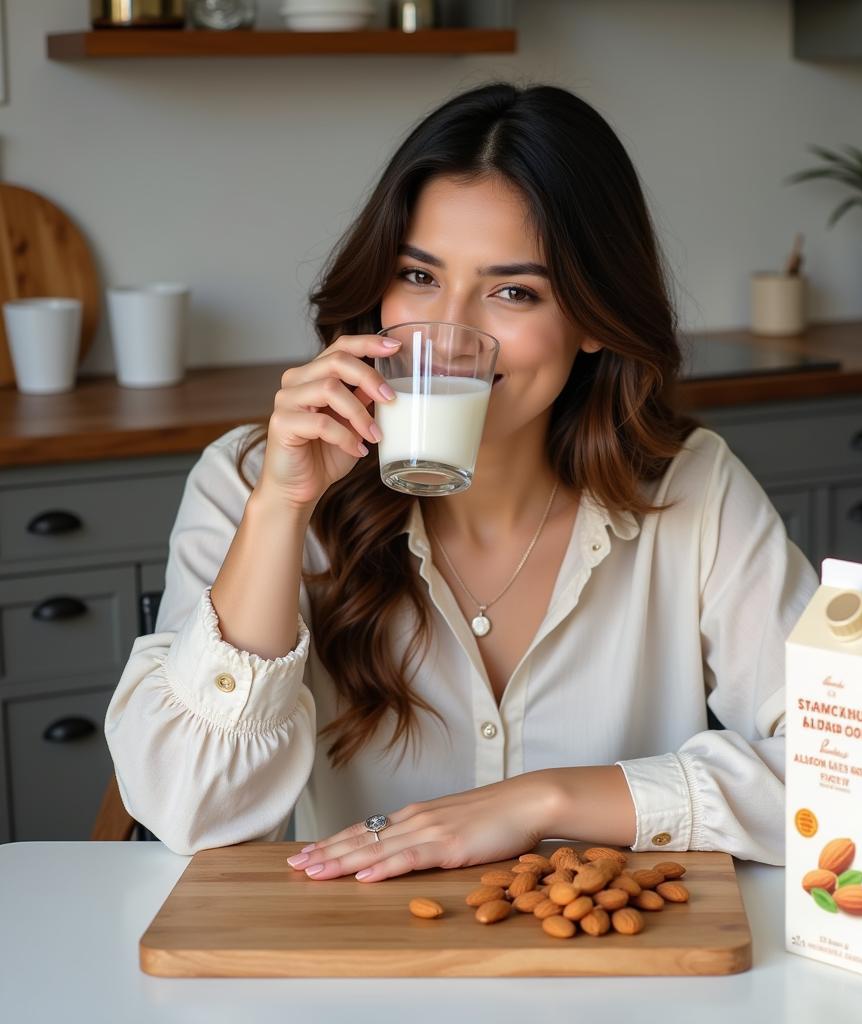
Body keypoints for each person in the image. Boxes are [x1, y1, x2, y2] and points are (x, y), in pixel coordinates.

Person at [105, 81, 818, 881]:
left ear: (592, 318)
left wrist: (545, 802)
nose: (449, 336)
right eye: (418, 277)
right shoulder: (251, 479)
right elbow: (186, 813)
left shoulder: (695, 491)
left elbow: (857, 773)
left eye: (514, 291)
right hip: (356, 983)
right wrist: (281, 508)